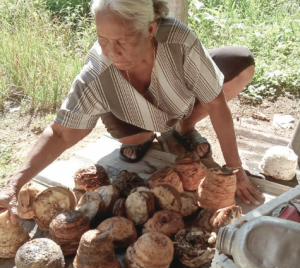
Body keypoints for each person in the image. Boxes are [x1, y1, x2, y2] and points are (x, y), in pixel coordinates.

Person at [0, 0, 264, 224]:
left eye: (122, 41)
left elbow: (216, 103)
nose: (112, 51)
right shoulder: (98, 71)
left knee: (239, 62)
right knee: (134, 140)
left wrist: (234, 168)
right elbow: (61, 134)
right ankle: (144, 136)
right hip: (132, 112)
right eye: (103, 39)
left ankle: (184, 127)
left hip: (180, 100)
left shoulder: (177, 40)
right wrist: (13, 185)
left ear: (150, 29)